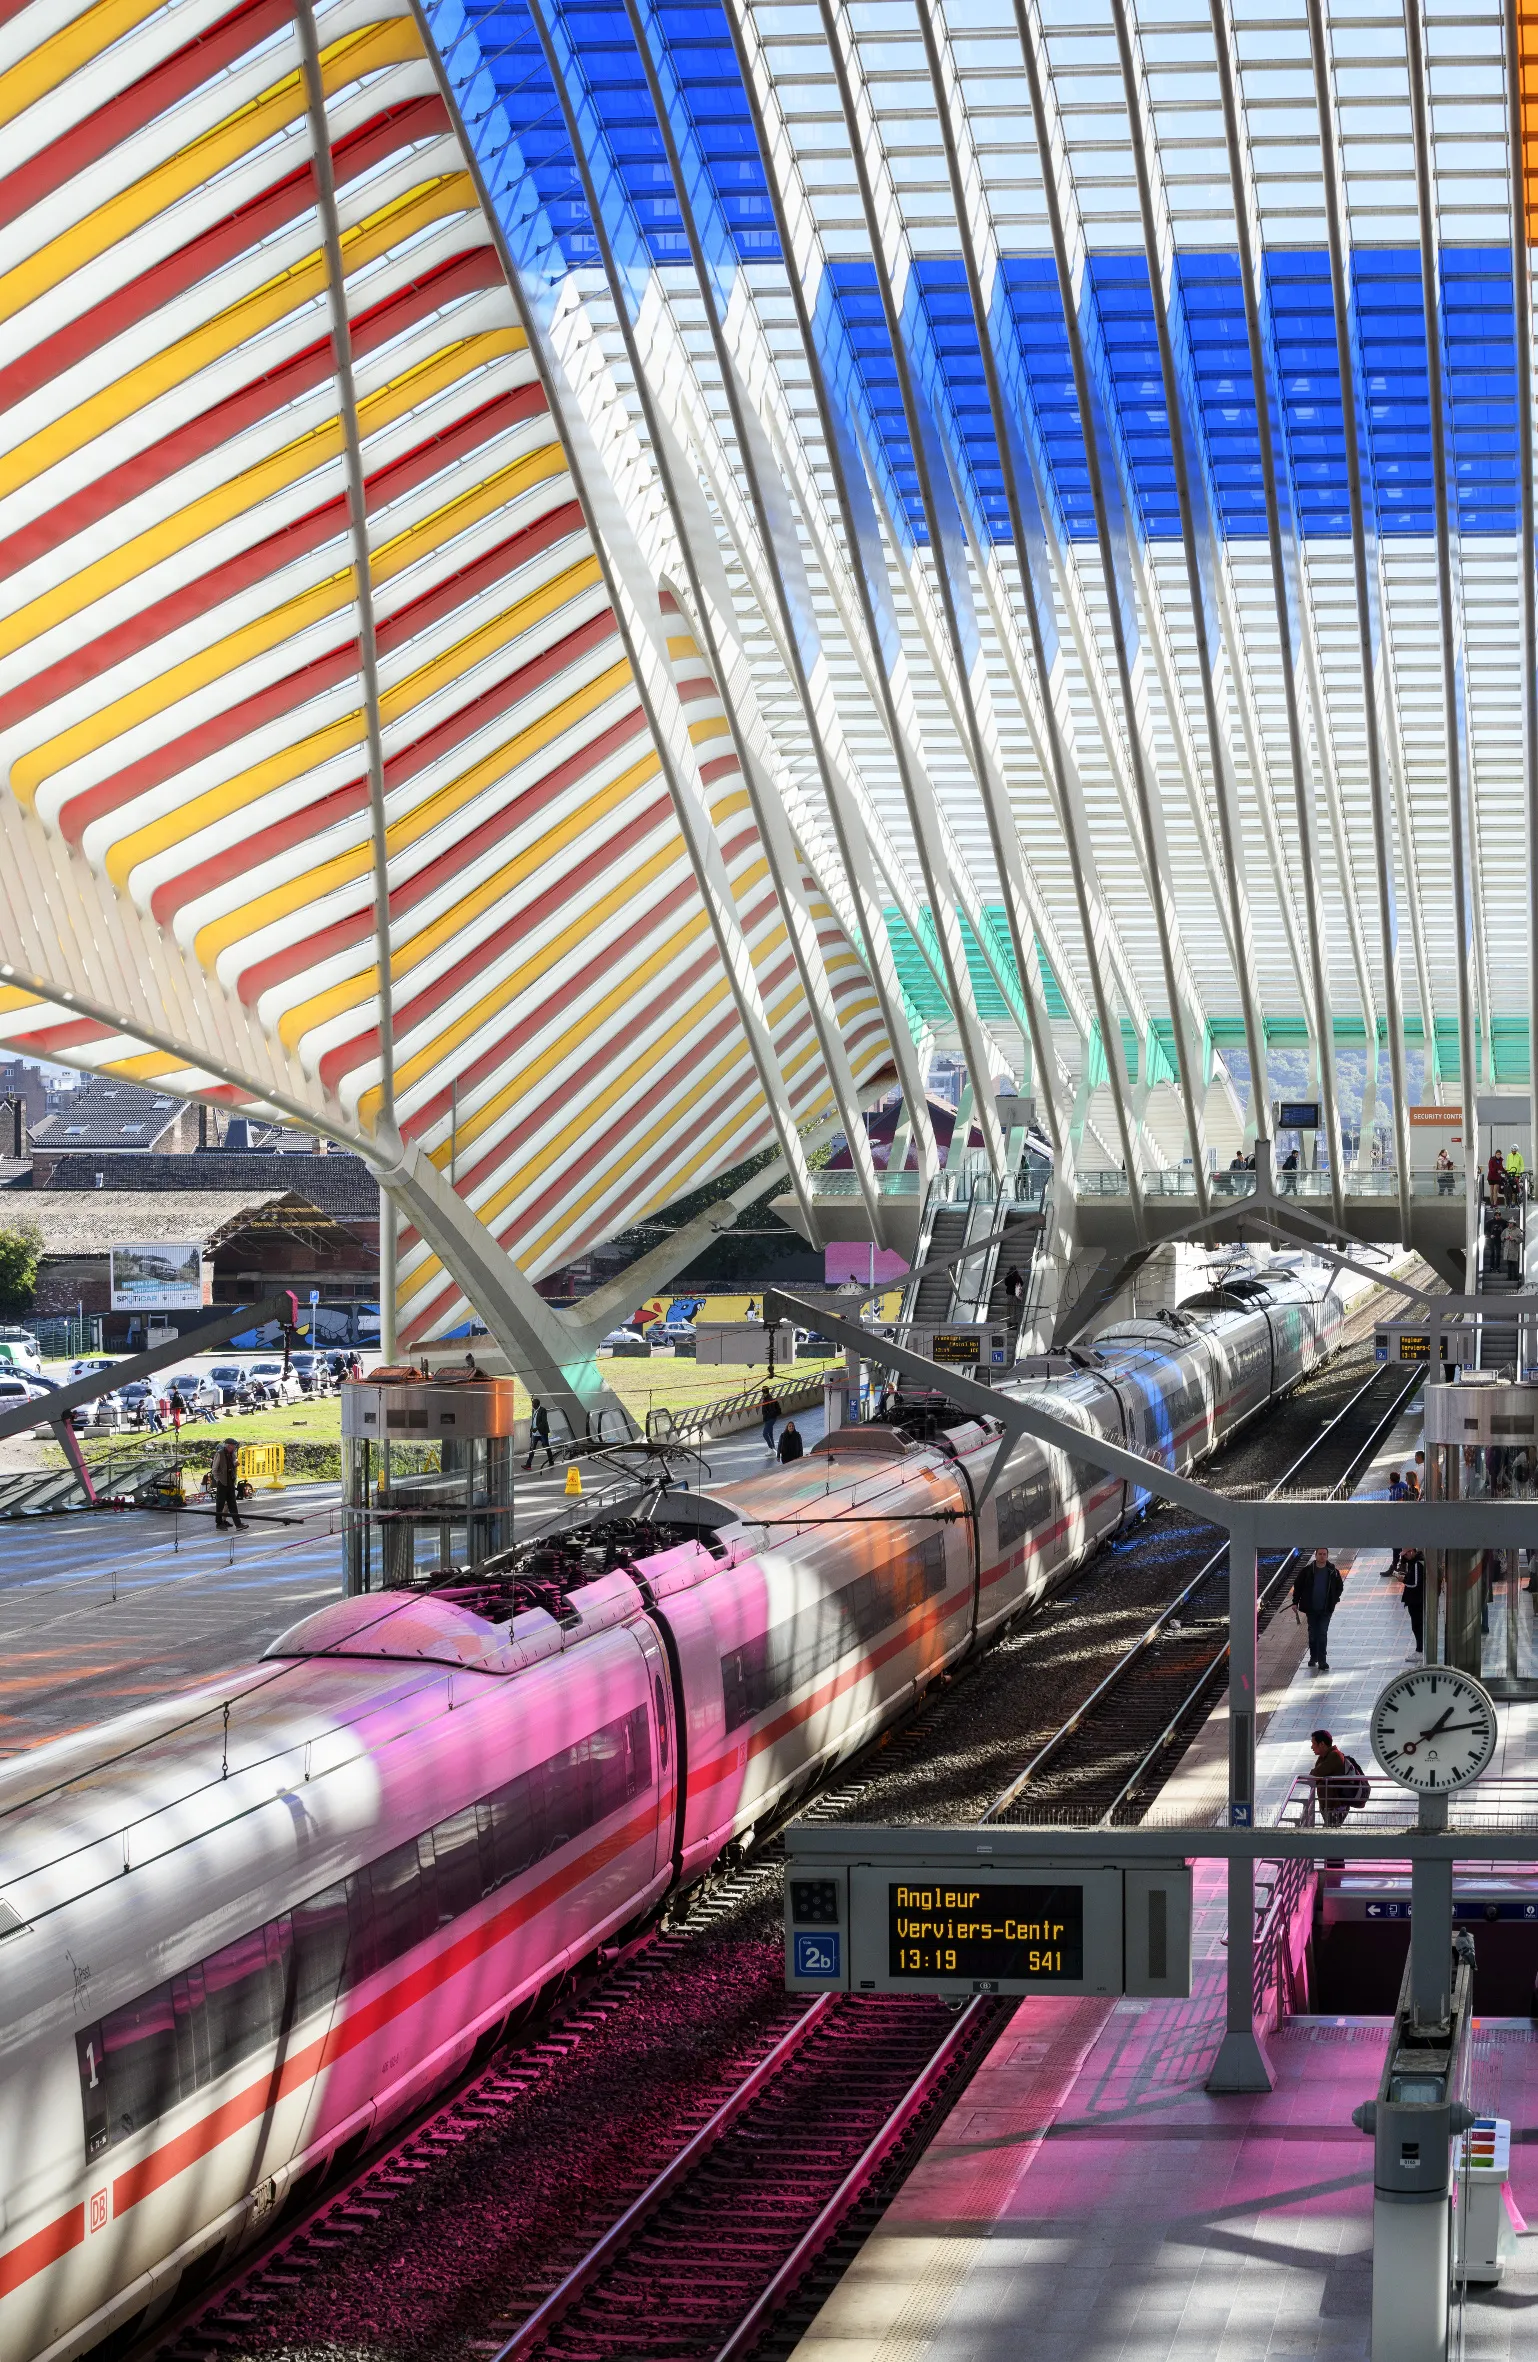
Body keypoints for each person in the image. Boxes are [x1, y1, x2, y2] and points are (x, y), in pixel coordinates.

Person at [1291, 1544, 1344, 1673]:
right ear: (1315, 1555)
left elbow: (1339, 1587)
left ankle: (1322, 1660)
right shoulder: (1307, 1571)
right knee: (1313, 1634)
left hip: (1326, 1609)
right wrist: (1295, 1602)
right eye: (1319, 1554)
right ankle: (1313, 1656)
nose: (1322, 1556)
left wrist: (1334, 1599)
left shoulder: (1332, 1571)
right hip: (1312, 1609)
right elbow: (1298, 1587)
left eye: (1324, 1554)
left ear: (1327, 1556)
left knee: (1322, 1633)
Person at [1308, 1728, 1352, 1828]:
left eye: (1313, 1743)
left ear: (1322, 1744)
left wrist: (1314, 1773)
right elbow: (1315, 1774)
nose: (1312, 1747)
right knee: (1330, 1830)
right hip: (1328, 1805)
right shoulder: (1324, 1757)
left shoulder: (1335, 1755)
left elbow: (1315, 1773)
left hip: (1336, 1806)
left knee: (1330, 1831)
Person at [210, 1435, 244, 1531]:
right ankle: (219, 1523)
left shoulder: (232, 1454)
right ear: (229, 1446)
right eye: (233, 1446)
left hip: (230, 1481)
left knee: (232, 1503)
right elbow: (214, 1469)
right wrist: (218, 1480)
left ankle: (238, 1524)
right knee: (220, 1504)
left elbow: (230, 1465)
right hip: (222, 1482)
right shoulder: (219, 1454)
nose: (235, 1448)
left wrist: (235, 1465)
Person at [1400, 1548, 1425, 1659]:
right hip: (1416, 1600)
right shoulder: (1415, 1562)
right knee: (1417, 1626)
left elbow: (1414, 1584)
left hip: (1416, 1601)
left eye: (1405, 1555)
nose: (1404, 1557)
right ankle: (1420, 1649)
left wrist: (1403, 1580)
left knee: (1417, 1626)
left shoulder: (1417, 1564)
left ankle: (1420, 1650)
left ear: (1411, 1552)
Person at [1386, 1469, 1410, 1574]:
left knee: (1396, 1544)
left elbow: (1395, 1506)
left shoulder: (1396, 1491)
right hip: (1404, 1520)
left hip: (1397, 1521)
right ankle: (1400, 1565)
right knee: (1401, 1543)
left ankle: (1396, 1566)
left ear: (1391, 1480)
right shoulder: (1404, 1486)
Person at [524, 1398, 555, 1470]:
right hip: (535, 1434)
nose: (532, 1405)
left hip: (542, 1433)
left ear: (537, 1404)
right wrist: (531, 1430)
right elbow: (533, 1420)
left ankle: (551, 1462)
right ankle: (528, 1465)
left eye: (533, 1404)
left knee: (547, 1447)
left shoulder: (543, 1410)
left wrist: (536, 1428)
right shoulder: (533, 1410)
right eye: (532, 1403)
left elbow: (544, 1422)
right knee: (532, 1448)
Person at [759, 1387, 781, 1453]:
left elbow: (770, 1410)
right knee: (770, 1434)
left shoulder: (767, 1400)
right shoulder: (769, 1398)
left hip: (769, 1419)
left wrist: (768, 1417)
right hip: (771, 1418)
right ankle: (773, 1448)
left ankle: (771, 1448)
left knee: (765, 1433)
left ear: (763, 1392)